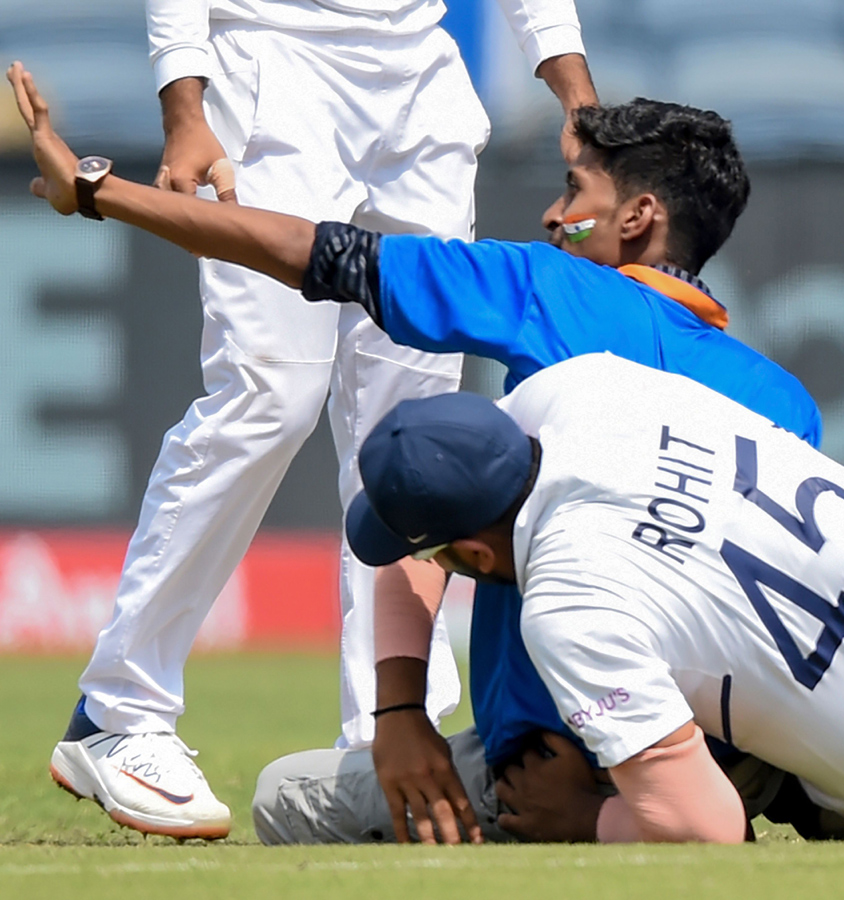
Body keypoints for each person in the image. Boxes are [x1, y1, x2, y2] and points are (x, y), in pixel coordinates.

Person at [8, 65, 844, 841]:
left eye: (574, 190)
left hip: (603, 751)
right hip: (790, 739)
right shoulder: (775, 402)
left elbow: (326, 258)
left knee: (283, 803)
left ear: (637, 221)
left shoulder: (552, 312)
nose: (549, 215)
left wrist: (107, 193)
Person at [40, 0, 597, 839]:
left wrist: (571, 83)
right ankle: (117, 710)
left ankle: (389, 739)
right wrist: (184, 105)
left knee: (413, 441)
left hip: (421, 82)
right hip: (270, 67)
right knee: (269, 396)